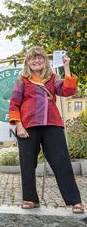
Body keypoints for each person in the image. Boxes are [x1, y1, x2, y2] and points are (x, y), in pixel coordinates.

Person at [9, 46, 84, 214]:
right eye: (33, 58)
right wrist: (19, 125)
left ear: (45, 61)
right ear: (27, 62)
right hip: (28, 126)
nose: (36, 61)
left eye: (40, 58)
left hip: (52, 124)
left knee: (61, 162)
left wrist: (66, 67)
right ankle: (30, 199)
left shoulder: (53, 78)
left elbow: (68, 90)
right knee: (28, 164)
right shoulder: (22, 80)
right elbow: (14, 104)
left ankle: (75, 201)